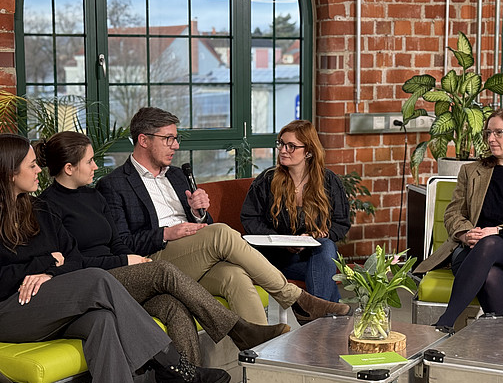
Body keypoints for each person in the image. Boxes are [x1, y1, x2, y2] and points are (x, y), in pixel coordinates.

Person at [36, 131, 290, 383]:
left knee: (173, 306)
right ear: (69, 168)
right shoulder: (47, 206)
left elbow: (117, 239)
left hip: (124, 273)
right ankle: (238, 330)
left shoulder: (94, 196)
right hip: (96, 281)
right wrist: (125, 260)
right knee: (164, 271)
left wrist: (129, 258)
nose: (96, 166)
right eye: (90, 161)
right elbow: (72, 261)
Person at [0, 133, 231, 383]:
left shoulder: (39, 209)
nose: (39, 171)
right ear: (10, 172)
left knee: (103, 321)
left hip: (47, 303)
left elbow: (72, 259)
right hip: (9, 312)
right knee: (97, 279)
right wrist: (45, 262)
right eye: (32, 166)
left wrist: (48, 271)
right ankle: (170, 364)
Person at [96, 106, 350, 326]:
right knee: (221, 231)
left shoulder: (175, 175)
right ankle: (297, 299)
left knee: (235, 276)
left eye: (176, 138)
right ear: (144, 140)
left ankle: (260, 355)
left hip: (191, 255)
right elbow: (121, 245)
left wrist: (198, 214)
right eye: (169, 139)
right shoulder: (114, 184)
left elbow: (202, 226)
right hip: (155, 260)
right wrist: (165, 233)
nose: (176, 145)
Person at [414, 108, 503, 332]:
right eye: (488, 133)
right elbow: (452, 213)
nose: (491, 138)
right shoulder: (471, 171)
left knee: (489, 243)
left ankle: (445, 322)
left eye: (499, 132)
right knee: (489, 276)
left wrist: (498, 231)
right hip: (470, 249)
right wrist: (465, 233)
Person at [240, 120, 350, 303]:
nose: (283, 150)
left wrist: (318, 234)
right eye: (281, 144)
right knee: (325, 273)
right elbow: (249, 218)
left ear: (308, 151)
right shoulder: (267, 180)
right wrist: (282, 241)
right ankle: (328, 316)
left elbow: (341, 222)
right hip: (275, 259)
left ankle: (322, 319)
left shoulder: (329, 181)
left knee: (326, 247)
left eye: (291, 146)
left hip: (311, 256)